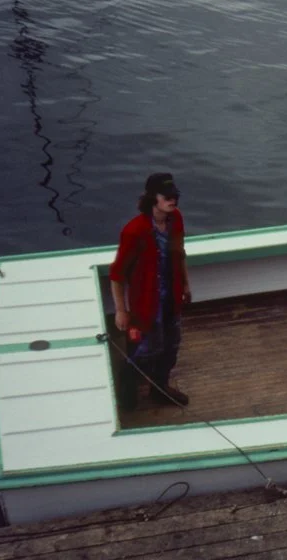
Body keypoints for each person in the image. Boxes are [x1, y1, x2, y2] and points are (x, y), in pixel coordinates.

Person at [109, 172, 193, 409]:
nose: (172, 201)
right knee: (147, 348)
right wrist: (121, 311)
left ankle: (160, 389)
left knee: (172, 344)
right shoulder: (134, 231)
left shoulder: (176, 219)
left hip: (172, 297)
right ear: (152, 198)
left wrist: (185, 285)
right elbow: (117, 274)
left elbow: (179, 253)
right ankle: (126, 391)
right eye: (167, 196)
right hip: (147, 303)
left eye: (174, 196)